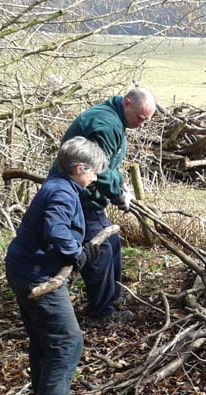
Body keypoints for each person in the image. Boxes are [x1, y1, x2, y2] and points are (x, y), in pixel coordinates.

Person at [5, 137, 109, 395]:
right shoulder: (62, 192)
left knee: (43, 339)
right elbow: (57, 229)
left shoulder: (57, 186)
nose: (95, 178)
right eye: (93, 172)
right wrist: (76, 254)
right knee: (67, 341)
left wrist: (78, 251)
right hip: (37, 276)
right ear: (79, 169)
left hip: (22, 268)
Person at [51, 87, 156, 326]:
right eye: (140, 118)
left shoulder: (116, 118)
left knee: (112, 242)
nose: (141, 125)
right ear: (127, 103)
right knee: (100, 251)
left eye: (146, 121)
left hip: (88, 194)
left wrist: (121, 185)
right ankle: (100, 313)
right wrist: (118, 194)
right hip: (78, 197)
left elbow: (110, 164)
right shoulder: (106, 125)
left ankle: (112, 298)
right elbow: (99, 169)